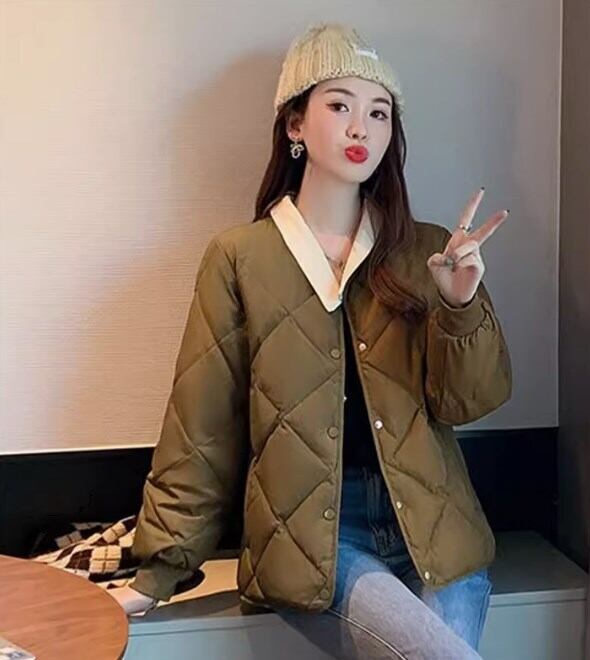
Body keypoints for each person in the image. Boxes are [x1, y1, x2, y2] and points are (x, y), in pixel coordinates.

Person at [110, 22, 513, 659]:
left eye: (378, 113)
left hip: (437, 531)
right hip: (317, 541)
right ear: (295, 123)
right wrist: (156, 574)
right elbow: (202, 427)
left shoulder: (429, 251)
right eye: (340, 106)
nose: (361, 129)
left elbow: (470, 402)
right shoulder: (240, 258)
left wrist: (459, 306)